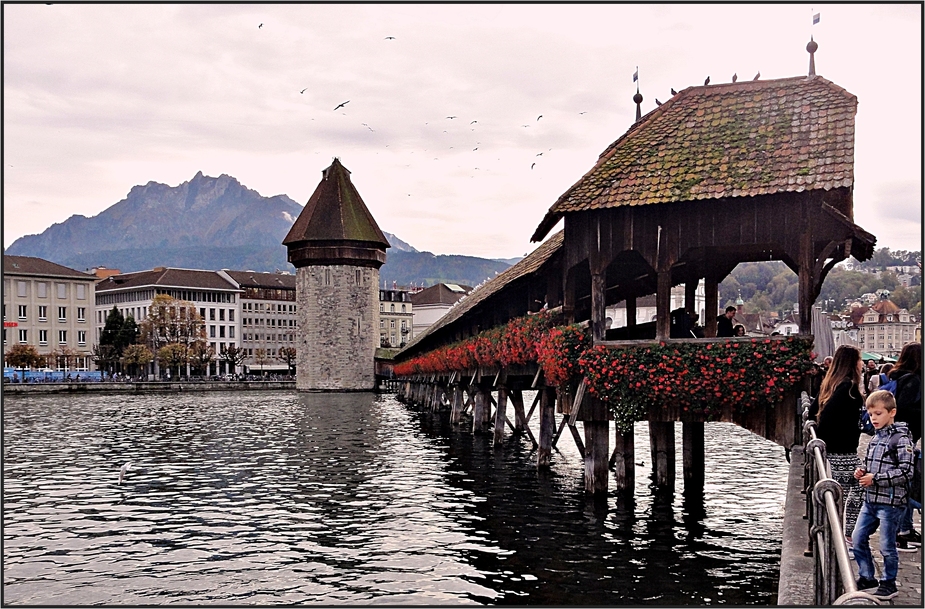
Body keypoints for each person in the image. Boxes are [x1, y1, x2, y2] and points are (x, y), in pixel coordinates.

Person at [851, 390, 915, 598]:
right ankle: (867, 576)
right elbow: (869, 463)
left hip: (890, 502)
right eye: (871, 415)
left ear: (892, 412)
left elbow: (906, 471)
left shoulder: (901, 440)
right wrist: (861, 471)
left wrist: (875, 478)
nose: (874, 419)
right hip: (870, 499)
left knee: (887, 546)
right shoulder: (875, 439)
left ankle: (889, 583)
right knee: (857, 537)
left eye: (878, 414)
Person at [815, 345, 865, 542]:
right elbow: (827, 418)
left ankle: (841, 535)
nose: (862, 364)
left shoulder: (832, 384)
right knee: (856, 489)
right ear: (852, 362)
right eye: (859, 359)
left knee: (842, 495)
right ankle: (847, 536)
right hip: (843, 452)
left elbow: (815, 413)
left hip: (835, 451)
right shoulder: (848, 388)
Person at [887, 342, 922, 549]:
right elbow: (903, 409)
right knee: (906, 481)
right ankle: (900, 531)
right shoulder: (913, 380)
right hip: (906, 436)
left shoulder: (898, 376)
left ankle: (905, 528)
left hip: (899, 435)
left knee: (904, 481)